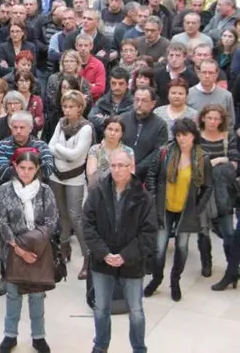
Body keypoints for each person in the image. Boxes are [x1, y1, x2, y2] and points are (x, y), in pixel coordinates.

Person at [83, 149, 157, 353]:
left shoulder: (144, 198)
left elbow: (148, 233)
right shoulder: (97, 191)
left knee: (136, 311)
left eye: (121, 165)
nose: (117, 170)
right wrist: (104, 253)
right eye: (113, 165)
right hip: (102, 261)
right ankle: (100, 346)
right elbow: (88, 226)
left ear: (131, 166)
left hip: (131, 263)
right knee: (101, 309)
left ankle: (139, 348)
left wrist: (125, 256)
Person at [0, 150, 58, 353]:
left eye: (31, 169)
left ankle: (38, 337)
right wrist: (19, 248)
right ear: (15, 167)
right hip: (13, 249)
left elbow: (51, 221)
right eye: (22, 168)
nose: (26, 172)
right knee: (13, 295)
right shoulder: (5, 190)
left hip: (39, 251)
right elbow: (1, 220)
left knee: (37, 295)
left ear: (37, 169)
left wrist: (34, 245)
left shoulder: (45, 190)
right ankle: (9, 335)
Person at [145, 118, 213, 301]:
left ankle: (175, 281)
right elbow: (152, 176)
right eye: (178, 135)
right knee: (159, 247)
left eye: (185, 135)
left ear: (194, 136)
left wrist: (197, 209)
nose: (181, 138)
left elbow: (208, 187)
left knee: (182, 248)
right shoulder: (164, 152)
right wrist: (152, 198)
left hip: (186, 210)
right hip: (164, 207)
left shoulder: (202, 158)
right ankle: (156, 279)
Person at [48, 90, 93, 279]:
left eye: (71, 107)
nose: (67, 110)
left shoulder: (86, 128)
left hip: (74, 178)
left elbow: (76, 156)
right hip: (56, 176)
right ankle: (64, 248)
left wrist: (60, 150)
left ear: (80, 108)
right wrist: (64, 151)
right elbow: (48, 146)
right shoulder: (60, 123)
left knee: (76, 216)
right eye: (65, 106)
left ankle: (88, 258)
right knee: (61, 213)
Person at [197, 104, 238, 278]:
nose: (213, 122)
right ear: (203, 118)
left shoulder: (228, 137)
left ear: (221, 120)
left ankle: (232, 266)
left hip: (223, 192)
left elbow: (235, 162)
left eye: (216, 118)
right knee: (202, 230)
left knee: (228, 231)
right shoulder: (196, 138)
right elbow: (194, 163)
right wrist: (216, 161)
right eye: (210, 118)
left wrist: (222, 161)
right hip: (202, 191)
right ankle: (206, 264)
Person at [86, 116, 135, 187]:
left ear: (121, 133)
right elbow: (91, 176)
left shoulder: (128, 152)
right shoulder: (95, 149)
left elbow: (130, 177)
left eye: (116, 130)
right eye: (110, 129)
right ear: (104, 131)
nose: (112, 133)